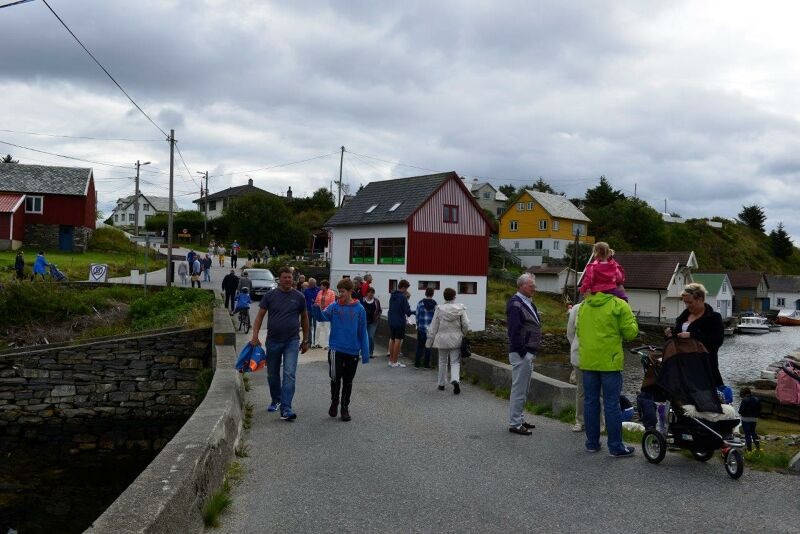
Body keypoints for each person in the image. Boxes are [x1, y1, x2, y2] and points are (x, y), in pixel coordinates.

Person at [577, 287, 639, 456]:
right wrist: (631, 317)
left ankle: (592, 443)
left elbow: (578, 331)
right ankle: (615, 446)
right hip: (610, 362)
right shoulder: (618, 305)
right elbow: (631, 333)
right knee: (611, 404)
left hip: (588, 361)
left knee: (590, 402)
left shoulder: (584, 306)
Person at [250, 267, 310, 421]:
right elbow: (259, 317)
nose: (288, 280)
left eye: (290, 277)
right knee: (272, 374)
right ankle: (276, 399)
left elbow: (304, 319)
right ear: (279, 279)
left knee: (289, 374)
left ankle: (286, 408)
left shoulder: (299, 297)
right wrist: (255, 335)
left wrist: (306, 340)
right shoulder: (270, 296)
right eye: (285, 277)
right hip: (273, 341)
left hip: (292, 340)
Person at [312, 278, 370, 422]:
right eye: (339, 292)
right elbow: (322, 317)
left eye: (343, 292)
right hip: (335, 349)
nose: (340, 295)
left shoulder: (359, 309)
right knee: (335, 378)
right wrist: (316, 308)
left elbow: (363, 331)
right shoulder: (334, 307)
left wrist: (366, 352)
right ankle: (334, 401)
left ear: (351, 291)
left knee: (348, 381)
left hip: (352, 350)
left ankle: (344, 407)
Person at [664, 282, 725, 387]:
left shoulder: (713, 318)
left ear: (700, 299)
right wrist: (669, 335)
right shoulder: (684, 316)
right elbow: (676, 337)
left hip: (704, 367)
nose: (687, 306)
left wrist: (692, 335)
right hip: (681, 366)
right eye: (685, 302)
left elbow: (716, 341)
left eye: (690, 302)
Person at [506, 273, 541, 435]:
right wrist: (523, 351)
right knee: (519, 389)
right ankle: (515, 423)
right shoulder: (516, 304)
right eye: (531, 285)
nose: (534, 288)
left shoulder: (527, 303)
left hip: (528, 351)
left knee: (523, 388)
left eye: (534, 285)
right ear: (521, 286)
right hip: (522, 352)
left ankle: (519, 418)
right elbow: (514, 330)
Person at [426, 288, 468, 394]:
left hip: (442, 339)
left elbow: (433, 327)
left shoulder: (439, 309)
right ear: (454, 297)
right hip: (456, 338)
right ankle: (455, 379)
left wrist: (429, 342)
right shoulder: (460, 308)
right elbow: (466, 324)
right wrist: (463, 333)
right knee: (455, 361)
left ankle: (441, 384)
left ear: (444, 297)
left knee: (442, 361)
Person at [388, 279, 414, 368]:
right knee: (398, 340)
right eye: (406, 289)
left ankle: (391, 360)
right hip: (399, 321)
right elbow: (408, 312)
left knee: (392, 339)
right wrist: (415, 311)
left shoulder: (392, 295)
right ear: (403, 288)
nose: (406, 291)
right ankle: (395, 361)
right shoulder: (403, 297)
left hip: (391, 320)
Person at [414, 288, 437, 369]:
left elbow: (417, 315)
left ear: (425, 293)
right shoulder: (435, 304)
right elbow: (436, 318)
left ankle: (417, 364)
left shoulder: (420, 303)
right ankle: (426, 365)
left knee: (420, 346)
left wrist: (418, 324)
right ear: (432, 294)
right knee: (428, 347)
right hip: (430, 330)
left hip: (421, 328)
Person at [314, 280, 336, 349]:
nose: (320, 287)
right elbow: (317, 300)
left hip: (327, 313)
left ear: (325, 286)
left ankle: (327, 344)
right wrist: (317, 305)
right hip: (319, 312)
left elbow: (332, 303)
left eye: (322, 285)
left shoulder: (331, 293)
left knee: (327, 329)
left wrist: (326, 310)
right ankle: (316, 343)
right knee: (317, 328)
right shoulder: (319, 292)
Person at [361, 287, 381, 358]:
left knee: (370, 337)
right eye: (369, 292)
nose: (371, 294)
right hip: (364, 322)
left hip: (373, 322)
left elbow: (379, 310)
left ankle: (370, 352)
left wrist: (377, 317)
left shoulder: (376, 301)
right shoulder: (363, 300)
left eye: (372, 293)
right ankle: (363, 351)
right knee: (363, 336)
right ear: (367, 293)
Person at [739, 386, 761, 451]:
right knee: (753, 432)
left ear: (744, 393)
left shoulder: (744, 400)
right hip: (754, 419)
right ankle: (757, 447)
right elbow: (759, 409)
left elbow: (741, 411)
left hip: (745, 419)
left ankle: (749, 449)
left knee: (747, 434)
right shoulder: (756, 399)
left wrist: (741, 413)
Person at [303, 278, 321, 347]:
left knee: (316, 326)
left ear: (315, 283)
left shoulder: (318, 290)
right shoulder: (306, 290)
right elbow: (304, 299)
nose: (310, 285)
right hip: (308, 310)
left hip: (316, 310)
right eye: (310, 284)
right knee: (308, 326)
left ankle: (316, 342)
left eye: (312, 284)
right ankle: (309, 342)